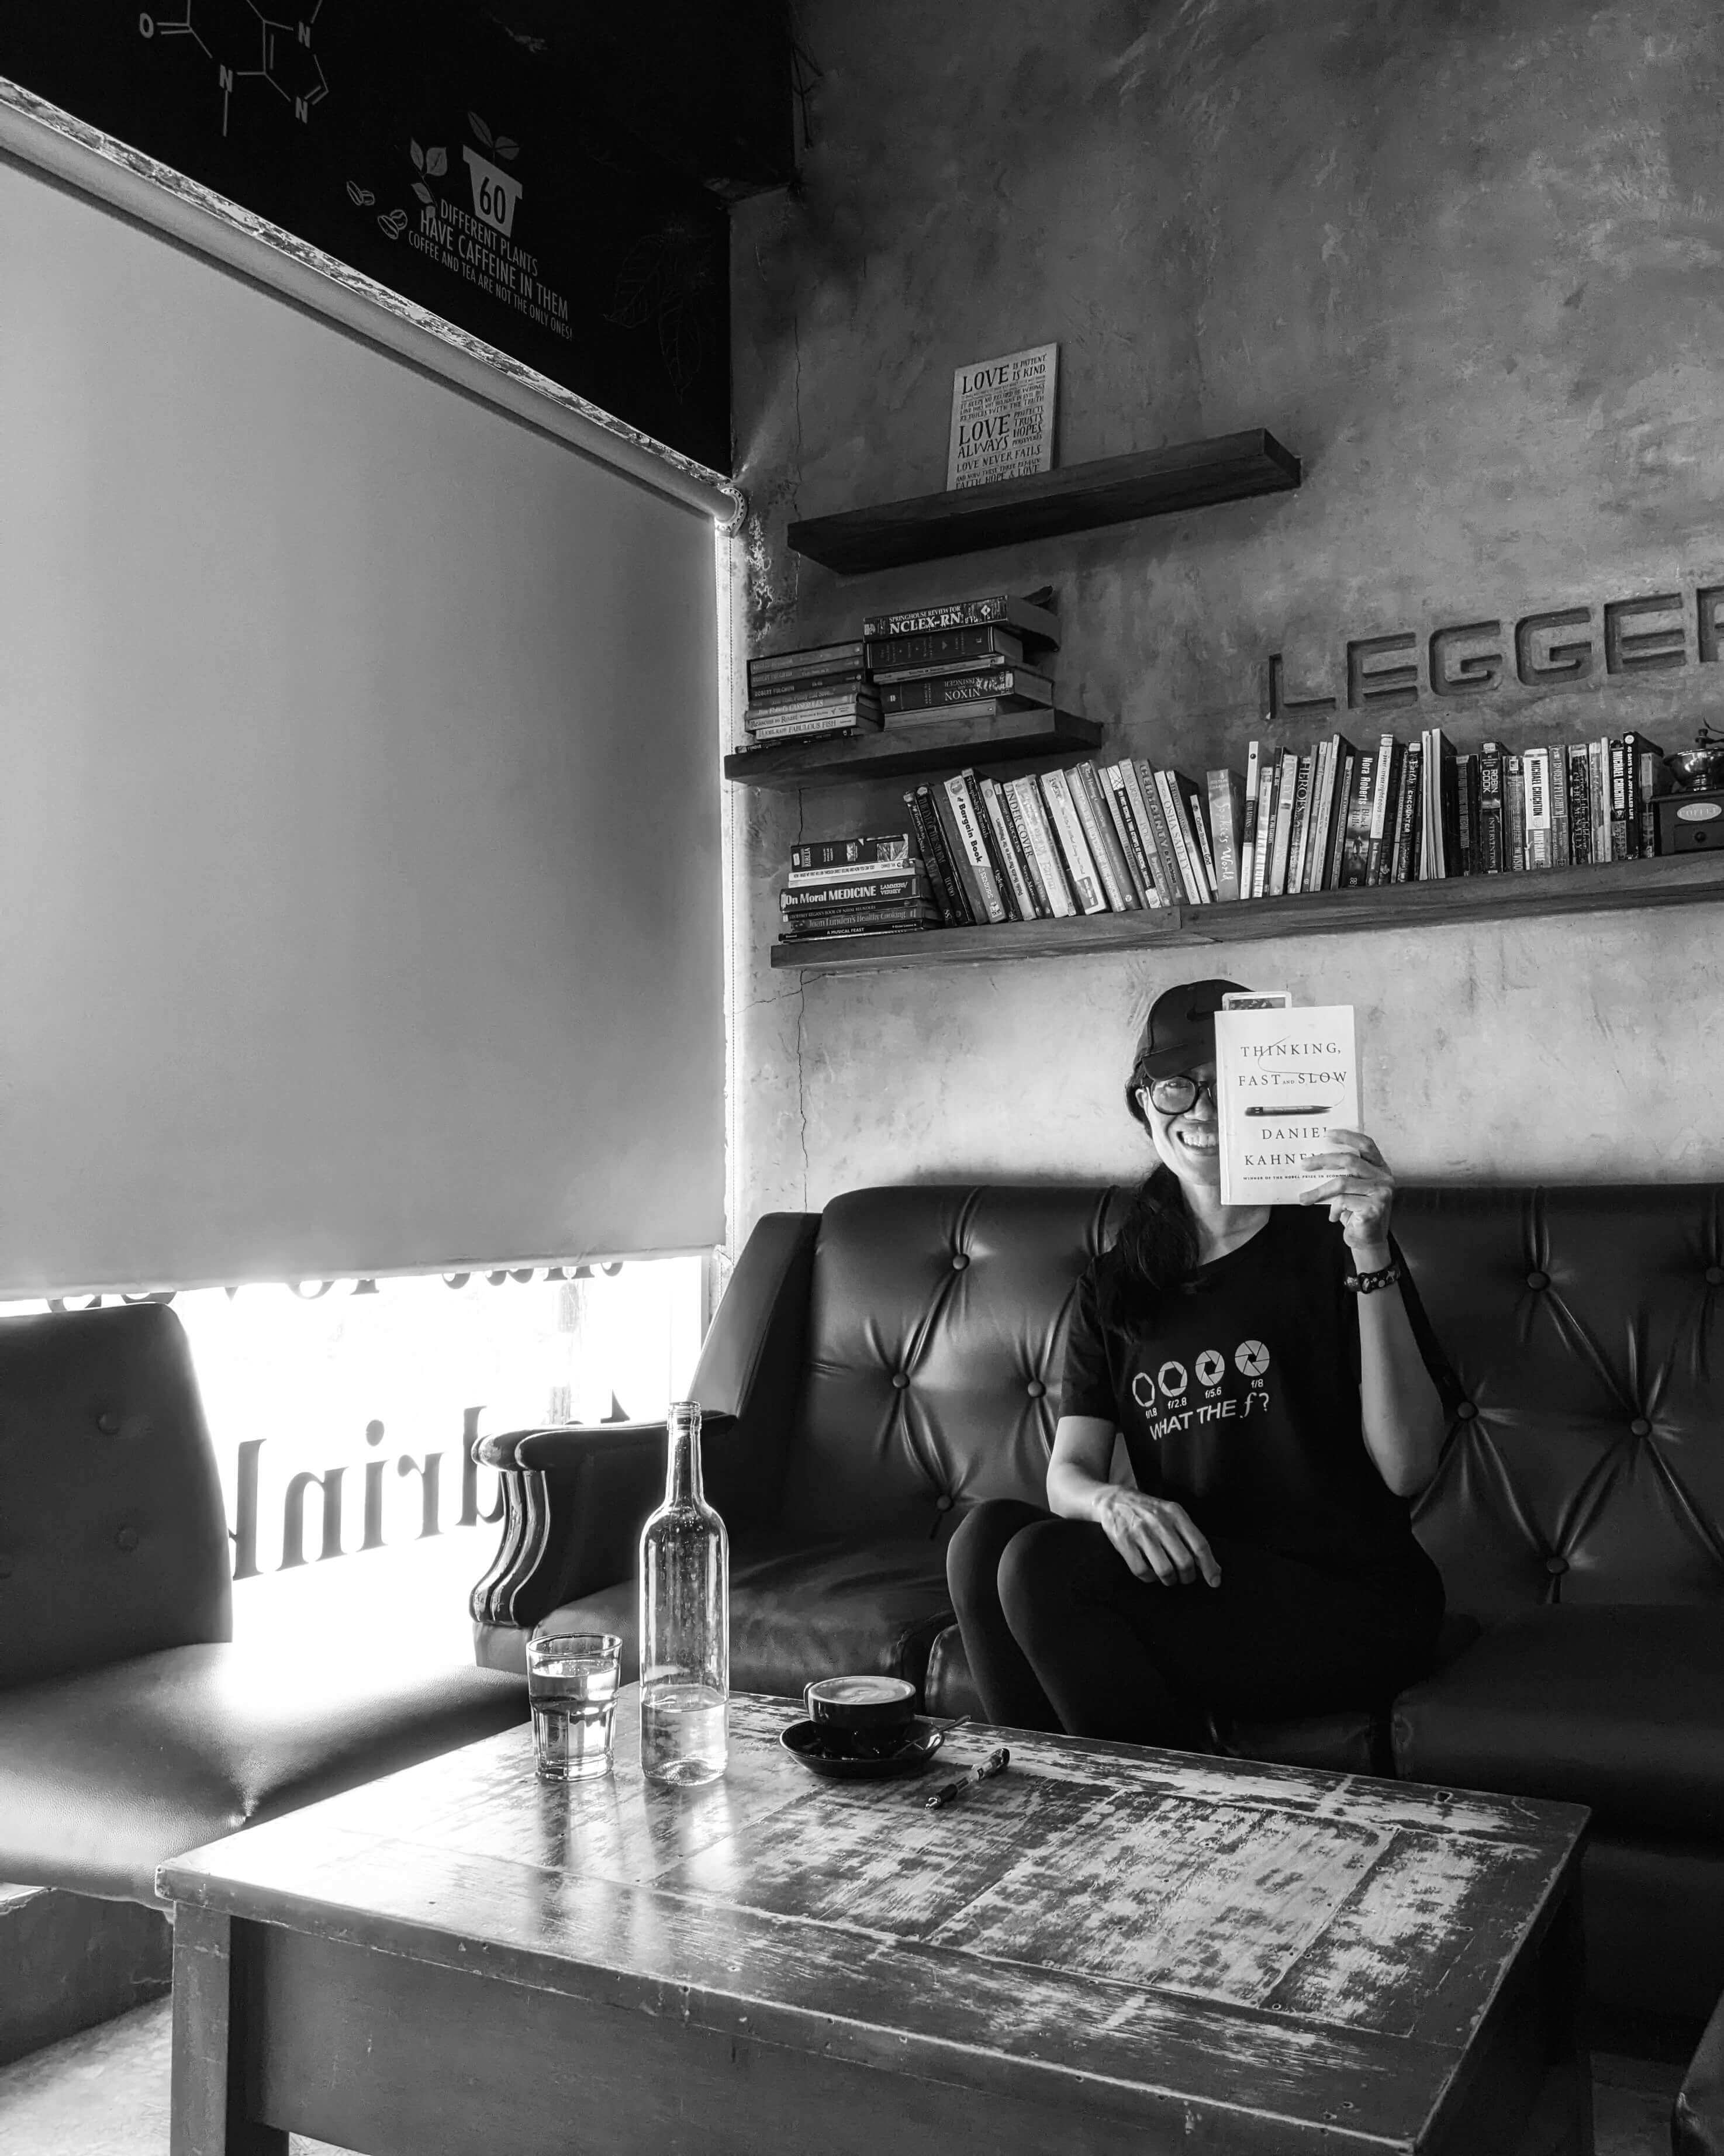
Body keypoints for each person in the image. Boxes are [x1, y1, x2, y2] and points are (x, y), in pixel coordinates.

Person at [945, 977, 1454, 1747]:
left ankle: (1149, 1803)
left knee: (1043, 1565)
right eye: (1179, 1086)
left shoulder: (1337, 1241)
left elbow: (1408, 1468)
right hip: (1206, 1585)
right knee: (985, 1538)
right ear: (1143, 1104)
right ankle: (1049, 1791)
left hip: (1352, 1602)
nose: (1205, 1113)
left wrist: (1371, 1249)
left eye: (1229, 1086)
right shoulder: (1117, 1281)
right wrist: (1113, 1504)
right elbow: (1068, 1475)